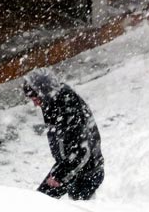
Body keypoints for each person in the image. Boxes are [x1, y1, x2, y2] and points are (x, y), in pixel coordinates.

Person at [23, 69, 104, 201]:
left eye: (35, 98)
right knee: (39, 201)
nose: (35, 103)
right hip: (68, 164)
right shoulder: (52, 102)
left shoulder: (68, 106)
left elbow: (82, 152)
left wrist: (60, 176)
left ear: (43, 92)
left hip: (86, 171)